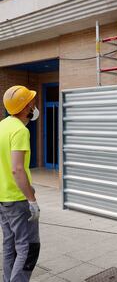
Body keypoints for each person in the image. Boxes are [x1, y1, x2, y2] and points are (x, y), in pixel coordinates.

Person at [0, 85, 41, 281]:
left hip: (3, 199)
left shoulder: (1, 126)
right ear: (25, 108)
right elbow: (17, 169)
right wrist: (31, 199)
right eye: (32, 102)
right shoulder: (20, 131)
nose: (34, 105)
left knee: (9, 245)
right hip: (18, 200)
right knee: (29, 248)